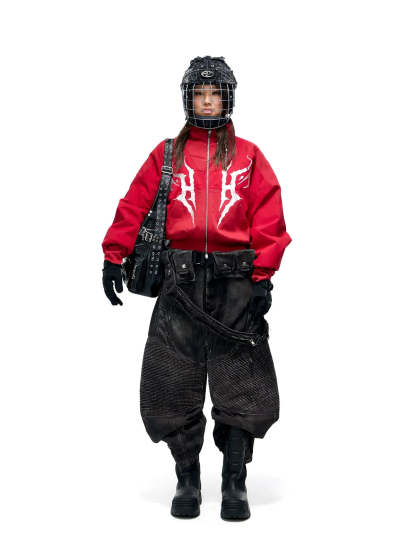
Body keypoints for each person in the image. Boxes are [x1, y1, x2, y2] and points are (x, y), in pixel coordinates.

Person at [101, 56, 292, 520]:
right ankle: (187, 476)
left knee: (242, 381)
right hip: (179, 283)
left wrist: (262, 277)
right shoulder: (167, 155)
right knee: (171, 379)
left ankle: (234, 479)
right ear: (188, 100)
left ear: (228, 100)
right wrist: (113, 254)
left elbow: (269, 218)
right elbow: (134, 204)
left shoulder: (249, 156)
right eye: (200, 95)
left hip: (235, 283)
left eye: (215, 95)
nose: (208, 102)